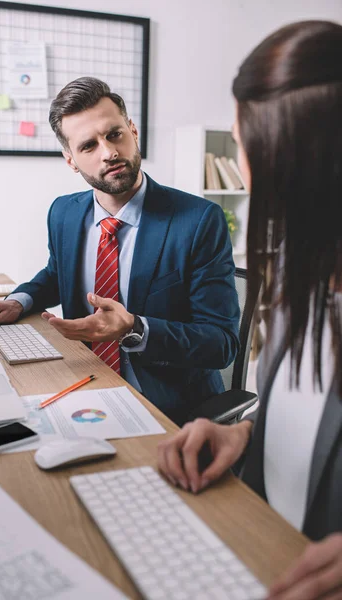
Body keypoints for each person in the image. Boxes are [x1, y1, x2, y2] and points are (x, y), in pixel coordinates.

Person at [158, 20, 342, 599]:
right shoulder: (295, 269)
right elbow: (303, 410)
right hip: (261, 544)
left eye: (243, 144)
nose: (238, 167)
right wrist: (243, 434)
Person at [0, 77, 239, 425]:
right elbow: (58, 275)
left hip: (167, 403)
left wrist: (133, 328)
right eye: (89, 145)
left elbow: (221, 343)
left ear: (133, 131)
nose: (109, 152)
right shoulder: (64, 212)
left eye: (115, 134)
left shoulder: (197, 220)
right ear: (70, 160)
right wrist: (19, 301)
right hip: (83, 382)